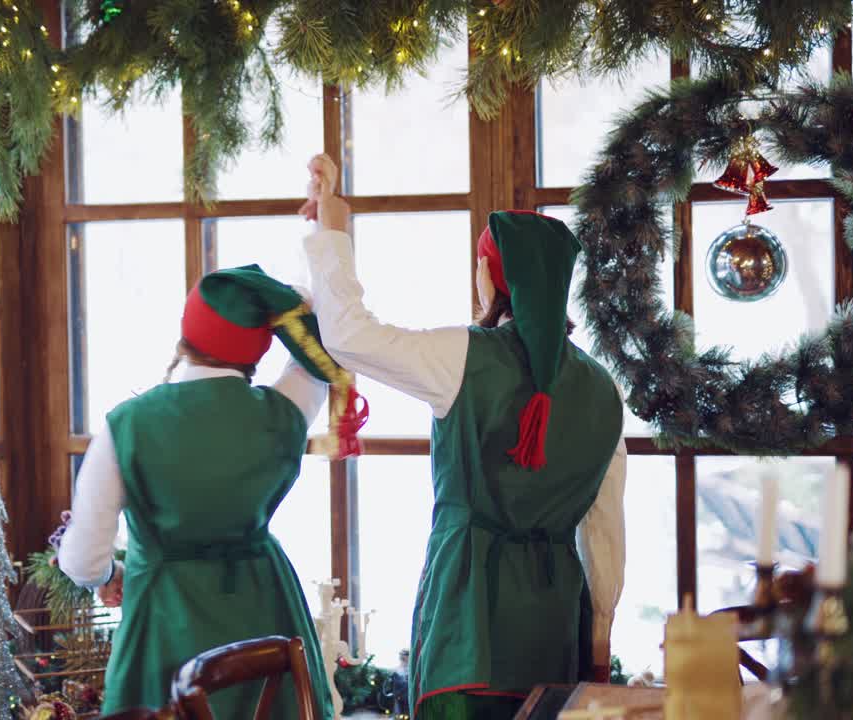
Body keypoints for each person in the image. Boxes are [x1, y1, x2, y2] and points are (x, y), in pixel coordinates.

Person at [299, 154, 626, 719]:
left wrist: (332, 232)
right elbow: (605, 534)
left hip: (466, 631)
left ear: (493, 277)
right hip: (555, 633)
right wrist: (597, 644)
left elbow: (349, 335)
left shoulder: (463, 357)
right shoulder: (602, 390)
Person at [58, 264, 366, 718]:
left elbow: (82, 561)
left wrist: (110, 576)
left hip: (164, 618)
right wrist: (282, 303)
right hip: (266, 606)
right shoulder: (288, 409)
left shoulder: (126, 425)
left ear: (187, 331)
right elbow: (319, 344)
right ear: (258, 344)